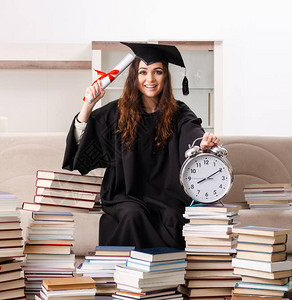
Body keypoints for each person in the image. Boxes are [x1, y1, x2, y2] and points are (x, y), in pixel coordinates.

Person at [63, 42, 219, 250]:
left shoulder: (179, 112)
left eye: (158, 72)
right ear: (134, 77)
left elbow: (192, 134)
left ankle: (167, 275)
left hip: (166, 195)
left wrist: (202, 145)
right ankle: (134, 275)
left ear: (166, 77)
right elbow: (84, 139)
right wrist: (88, 105)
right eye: (143, 72)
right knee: (133, 214)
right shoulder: (117, 112)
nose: (150, 79)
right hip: (125, 194)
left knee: (174, 216)